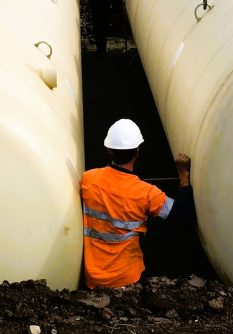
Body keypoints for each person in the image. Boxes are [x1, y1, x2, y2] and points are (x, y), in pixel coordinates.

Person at [81, 118, 193, 289]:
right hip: (128, 279)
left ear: (109, 150)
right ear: (137, 151)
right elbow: (183, 216)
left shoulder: (88, 179)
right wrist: (183, 175)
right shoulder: (146, 193)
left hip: (93, 280)